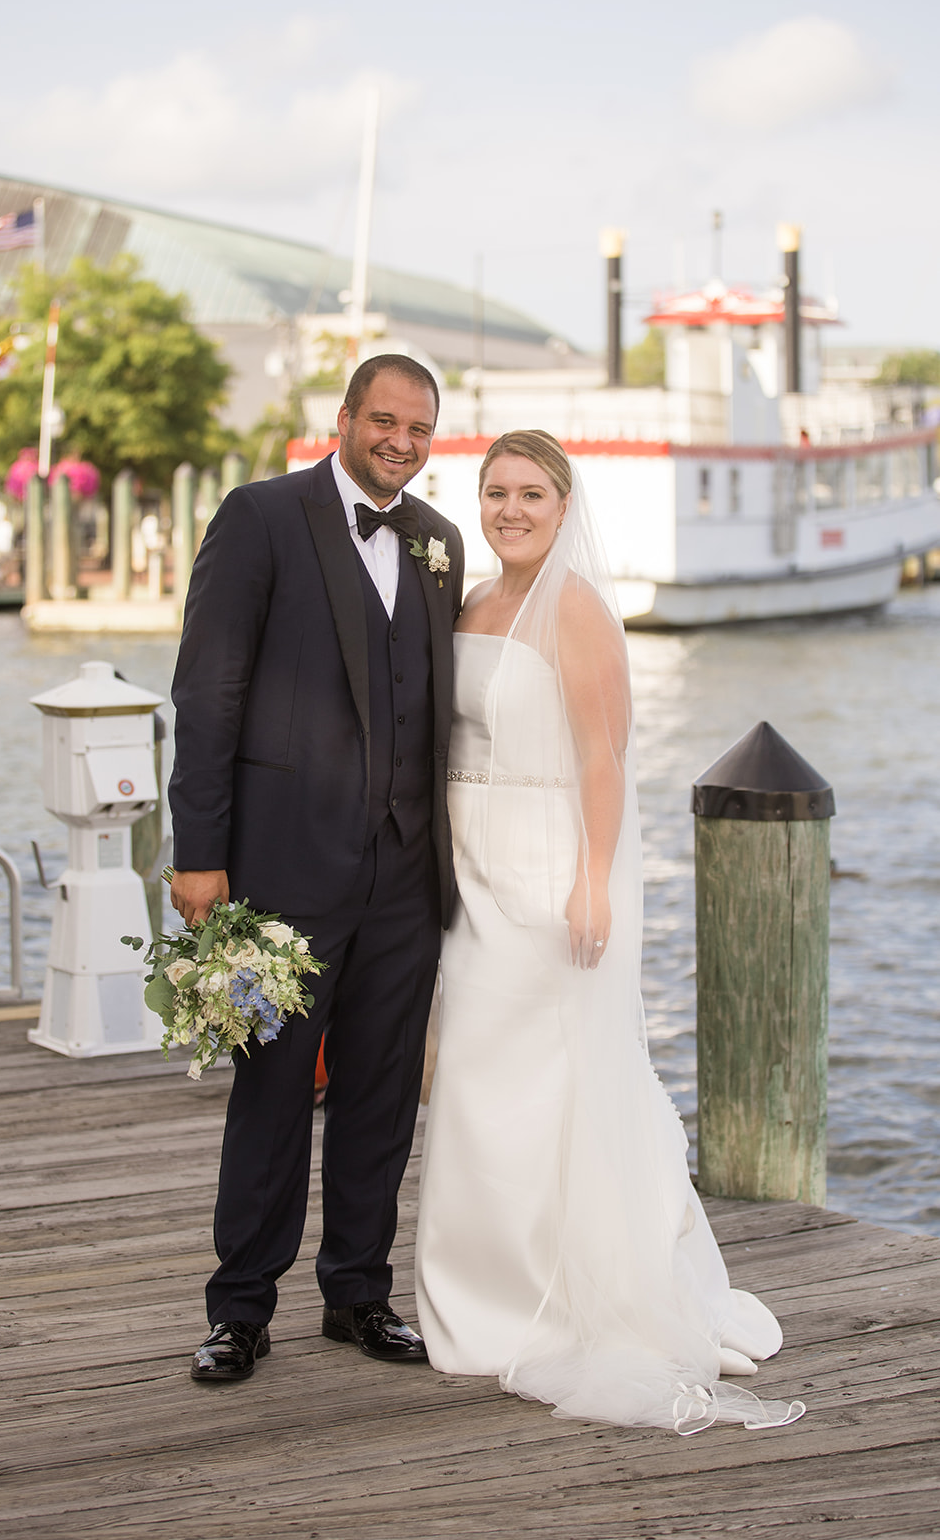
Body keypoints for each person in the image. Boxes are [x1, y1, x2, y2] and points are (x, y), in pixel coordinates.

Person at [415, 430, 804, 1434]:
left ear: (561, 502)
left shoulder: (577, 610)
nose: (509, 510)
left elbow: (603, 756)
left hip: (548, 867)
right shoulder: (470, 605)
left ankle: (564, 1295)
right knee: (471, 1079)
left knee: (553, 1079)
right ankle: (480, 1294)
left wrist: (591, 880)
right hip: (470, 869)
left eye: (530, 494)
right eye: (495, 492)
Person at [169, 355, 464, 1384]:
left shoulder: (436, 543)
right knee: (274, 1089)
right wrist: (196, 853)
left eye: (419, 427)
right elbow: (206, 694)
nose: (400, 440)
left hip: (403, 873)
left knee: (382, 1092)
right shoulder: (259, 518)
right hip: (281, 869)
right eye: (383, 420)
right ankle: (239, 1310)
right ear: (343, 419)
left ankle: (356, 1293)